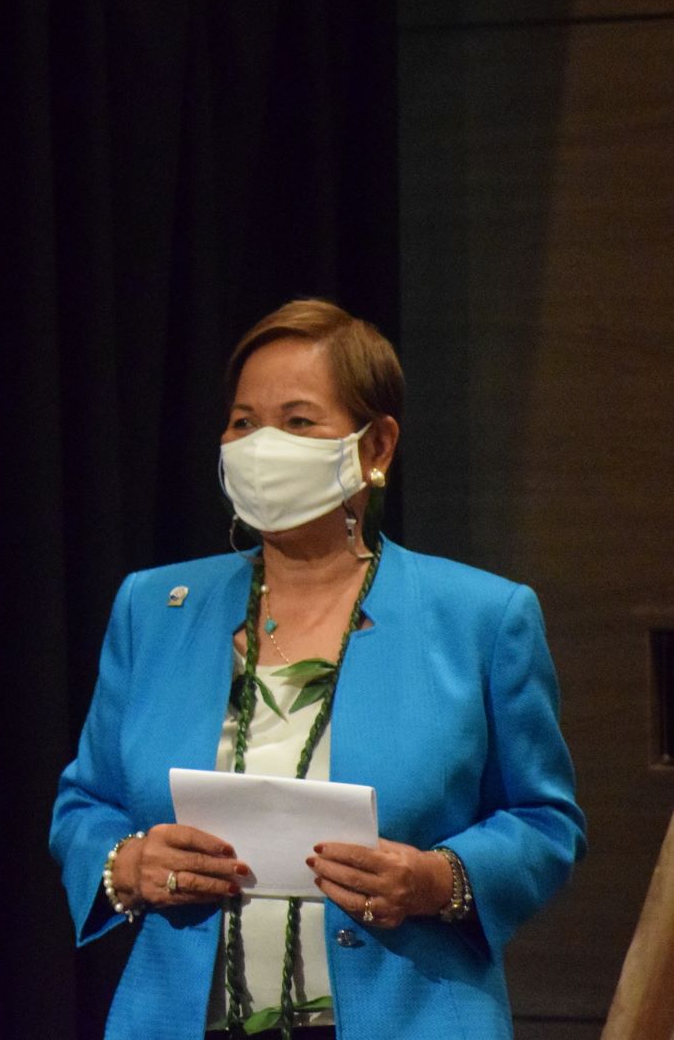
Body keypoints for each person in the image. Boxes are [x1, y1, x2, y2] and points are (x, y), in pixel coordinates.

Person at [49, 299, 584, 1039]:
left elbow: (543, 821)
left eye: (297, 422)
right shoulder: (154, 607)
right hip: (181, 1018)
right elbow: (83, 803)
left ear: (376, 447)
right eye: (242, 422)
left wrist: (437, 882)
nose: (261, 445)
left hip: (409, 1014)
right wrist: (125, 863)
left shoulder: (481, 617)